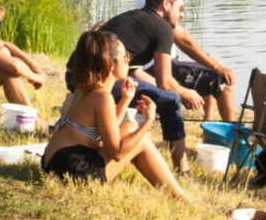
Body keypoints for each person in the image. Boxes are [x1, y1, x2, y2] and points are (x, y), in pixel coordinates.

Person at [42, 31, 191, 202]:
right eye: (124, 55)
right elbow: (117, 153)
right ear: (110, 64)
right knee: (141, 140)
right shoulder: (102, 97)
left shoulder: (85, 88)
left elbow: (105, 132)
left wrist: (126, 99)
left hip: (53, 162)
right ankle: (181, 199)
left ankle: (179, 195)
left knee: (130, 127)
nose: (128, 59)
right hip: (73, 171)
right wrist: (148, 121)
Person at [97, 0, 204, 174]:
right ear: (166, 4)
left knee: (164, 95)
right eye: (180, 9)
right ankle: (183, 170)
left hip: (78, 75)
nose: (182, 15)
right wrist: (185, 92)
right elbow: (165, 81)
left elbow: (136, 71)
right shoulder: (162, 27)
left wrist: (159, 90)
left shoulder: (132, 18)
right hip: (97, 82)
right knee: (172, 101)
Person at [133, 0, 236, 123]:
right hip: (155, 68)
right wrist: (216, 67)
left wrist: (211, 63)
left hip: (166, 62)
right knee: (221, 81)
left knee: (208, 66)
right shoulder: (159, 3)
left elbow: (183, 37)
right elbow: (184, 41)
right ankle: (232, 136)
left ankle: (208, 124)